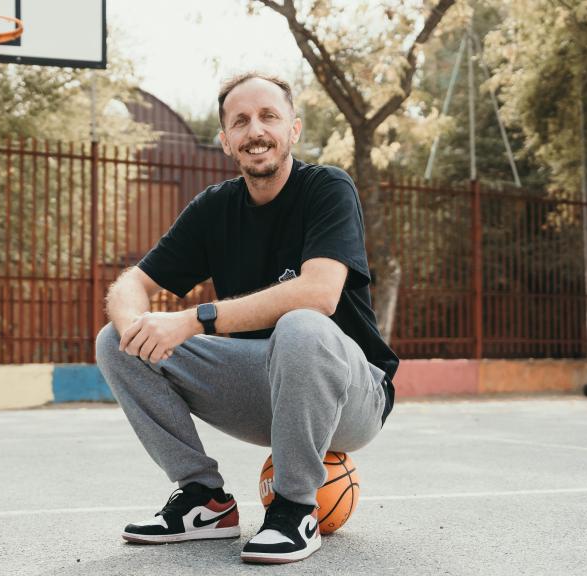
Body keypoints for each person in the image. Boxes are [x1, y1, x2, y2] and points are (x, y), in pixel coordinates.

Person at [94, 72, 399, 565]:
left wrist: (195, 318)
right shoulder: (215, 209)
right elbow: (132, 283)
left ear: (293, 129)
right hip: (267, 386)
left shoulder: (326, 187)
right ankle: (204, 500)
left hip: (351, 392)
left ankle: (295, 506)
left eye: (268, 117)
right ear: (226, 140)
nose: (255, 130)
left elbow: (320, 293)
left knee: (300, 323)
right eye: (241, 121)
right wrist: (135, 326)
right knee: (116, 341)